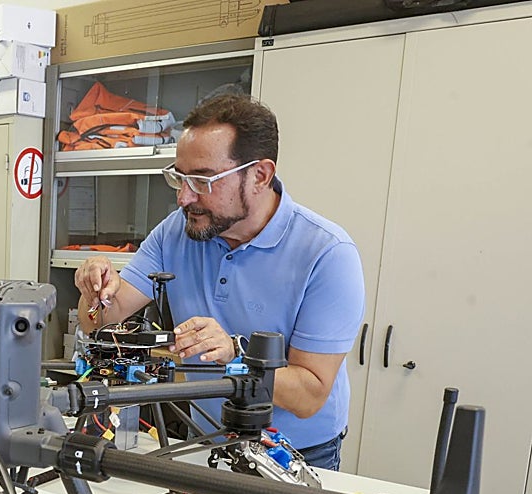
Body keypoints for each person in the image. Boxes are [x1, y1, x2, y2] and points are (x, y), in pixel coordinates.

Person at [73, 94, 365, 470]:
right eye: (179, 178)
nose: (183, 198)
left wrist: (235, 354)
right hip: (206, 436)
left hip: (295, 453)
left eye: (202, 181)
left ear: (259, 175)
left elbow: (309, 395)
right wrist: (93, 288)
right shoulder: (176, 233)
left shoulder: (327, 253)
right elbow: (100, 321)